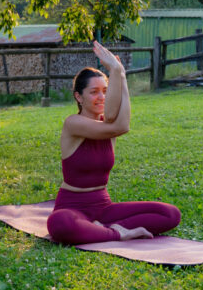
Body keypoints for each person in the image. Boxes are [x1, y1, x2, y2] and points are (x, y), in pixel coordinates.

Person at [47, 41, 181, 245]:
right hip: (72, 207)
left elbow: (117, 121)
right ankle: (117, 233)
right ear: (78, 97)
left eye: (105, 90)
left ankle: (103, 228)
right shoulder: (73, 124)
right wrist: (115, 71)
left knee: (170, 214)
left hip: (104, 208)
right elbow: (116, 121)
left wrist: (121, 75)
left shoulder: (109, 126)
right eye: (94, 92)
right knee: (60, 223)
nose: (101, 97)